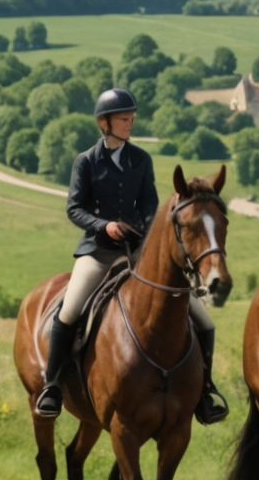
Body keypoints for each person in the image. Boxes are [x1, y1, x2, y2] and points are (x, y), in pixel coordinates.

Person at [35, 88, 230, 425]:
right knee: (68, 312)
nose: (130, 124)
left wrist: (143, 233)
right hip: (97, 252)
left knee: (204, 320)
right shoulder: (86, 161)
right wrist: (105, 225)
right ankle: (51, 386)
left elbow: (151, 206)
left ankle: (205, 390)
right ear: (104, 123)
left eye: (131, 118)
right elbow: (74, 208)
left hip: (138, 253)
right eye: (124, 119)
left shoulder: (141, 159)